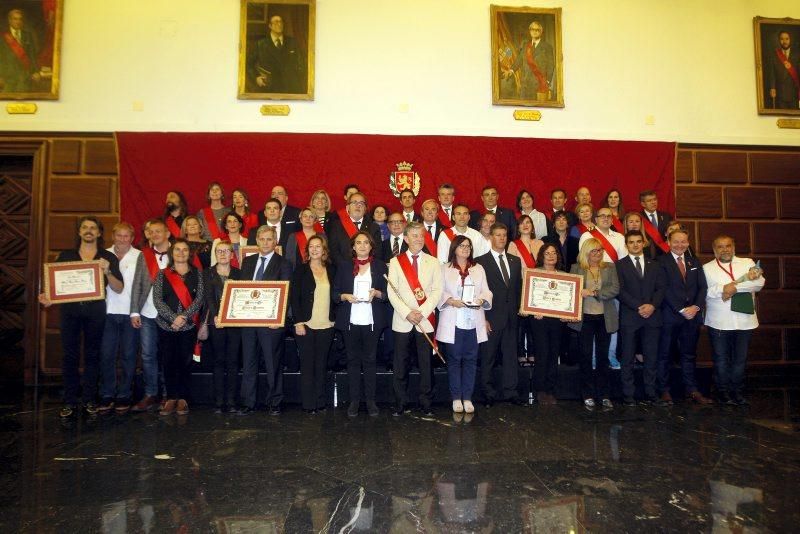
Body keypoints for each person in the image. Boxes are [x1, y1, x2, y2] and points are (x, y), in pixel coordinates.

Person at [38, 216, 123, 418]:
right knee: (69, 356)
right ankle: (69, 401)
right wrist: (49, 298)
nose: (88, 231)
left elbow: (119, 288)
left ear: (99, 233)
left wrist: (108, 271)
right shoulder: (66, 255)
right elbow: (56, 287)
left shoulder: (107, 257)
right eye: (85, 227)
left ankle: (89, 400)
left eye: (93, 228)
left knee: (93, 356)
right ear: (79, 232)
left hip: (95, 312)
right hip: (70, 312)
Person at [388, 222, 443, 417]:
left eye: (421, 235)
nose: (418, 239)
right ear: (405, 238)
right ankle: (401, 403)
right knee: (401, 364)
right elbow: (391, 291)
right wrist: (407, 313)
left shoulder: (433, 262)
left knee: (426, 363)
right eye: (414, 235)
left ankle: (426, 403)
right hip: (403, 320)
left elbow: (437, 291)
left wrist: (422, 311)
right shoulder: (396, 262)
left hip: (425, 319)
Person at [703, 235, 765, 405]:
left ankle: (737, 392)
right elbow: (706, 292)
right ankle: (722, 393)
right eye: (721, 247)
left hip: (745, 321)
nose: (725, 249)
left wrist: (733, 287)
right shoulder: (706, 268)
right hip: (719, 321)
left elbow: (759, 282)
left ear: (733, 247)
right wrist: (722, 289)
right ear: (715, 250)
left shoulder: (747, 263)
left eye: (728, 246)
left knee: (740, 359)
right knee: (721, 360)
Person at [333, 231, 388, 417]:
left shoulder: (380, 266)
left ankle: (371, 401)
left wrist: (378, 293)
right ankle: (354, 401)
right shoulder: (344, 266)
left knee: (370, 361)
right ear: (353, 247)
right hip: (350, 321)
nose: (362, 246)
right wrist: (344, 296)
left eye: (366, 242)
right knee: (353, 361)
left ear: (371, 246)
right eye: (358, 243)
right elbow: (334, 294)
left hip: (372, 321)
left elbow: (389, 293)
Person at [238, 225, 292, 415]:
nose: (266, 243)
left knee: (272, 363)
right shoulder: (247, 262)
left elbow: (286, 293)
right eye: (262, 239)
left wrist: (279, 319)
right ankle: (248, 402)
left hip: (271, 322)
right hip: (248, 321)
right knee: (249, 362)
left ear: (275, 241)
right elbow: (241, 290)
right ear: (257, 241)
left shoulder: (283, 263)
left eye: (270, 239)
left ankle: (275, 401)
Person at [437, 236, 493, 414]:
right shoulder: (444, 269)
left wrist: (482, 299)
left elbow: (486, 290)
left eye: (468, 246)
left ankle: (467, 397)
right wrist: (451, 301)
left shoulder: (479, 268)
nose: (466, 248)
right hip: (453, 320)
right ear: (454, 248)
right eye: (462, 245)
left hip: (473, 320)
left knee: (470, 360)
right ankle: (456, 398)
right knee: (454, 360)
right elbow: (439, 292)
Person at [656, 228, 711, 404]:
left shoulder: (694, 261)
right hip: (670, 316)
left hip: (692, 316)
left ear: (688, 243)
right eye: (676, 241)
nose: (680, 245)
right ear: (669, 243)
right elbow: (662, 289)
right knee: (665, 355)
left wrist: (695, 307)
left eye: (683, 242)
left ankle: (692, 390)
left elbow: (703, 287)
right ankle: (664, 390)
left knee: (689, 355)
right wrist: (681, 309)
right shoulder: (660, 262)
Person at [153, 238, 204, 416]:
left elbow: (199, 301)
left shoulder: (197, 274)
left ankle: (183, 398)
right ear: (171, 253)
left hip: (188, 326)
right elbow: (157, 300)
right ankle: (170, 398)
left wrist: (183, 318)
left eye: (184, 250)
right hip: (166, 326)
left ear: (189, 253)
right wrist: (173, 318)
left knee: (185, 361)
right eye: (177, 250)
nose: (181, 253)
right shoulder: (162, 274)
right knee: (168, 361)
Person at [476, 224, 524, 406]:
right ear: (491, 238)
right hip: (491, 317)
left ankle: (510, 392)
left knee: (511, 356)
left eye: (504, 235)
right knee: (488, 357)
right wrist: (483, 318)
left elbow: (517, 289)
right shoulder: (480, 261)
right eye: (498, 235)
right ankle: (488, 393)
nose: (502, 238)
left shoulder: (515, 260)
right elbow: (479, 292)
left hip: (512, 317)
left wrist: (521, 307)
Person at [616, 230, 665, 406]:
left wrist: (652, 306)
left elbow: (661, 289)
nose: (635, 245)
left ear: (644, 243)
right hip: (631, 316)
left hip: (652, 316)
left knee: (651, 357)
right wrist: (639, 306)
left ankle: (650, 393)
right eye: (631, 242)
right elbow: (619, 291)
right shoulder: (619, 265)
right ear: (626, 245)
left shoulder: (655, 264)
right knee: (627, 357)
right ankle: (628, 395)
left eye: (638, 241)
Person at [569, 239, 620, 409]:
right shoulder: (576, 268)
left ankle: (604, 395)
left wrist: (594, 292)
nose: (597, 254)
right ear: (586, 252)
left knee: (603, 357)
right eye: (593, 251)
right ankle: (587, 394)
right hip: (585, 319)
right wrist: (579, 292)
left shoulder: (609, 267)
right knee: (585, 356)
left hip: (604, 318)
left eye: (599, 250)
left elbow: (615, 289)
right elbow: (570, 290)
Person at [98, 222, 141, 415]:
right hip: (106, 312)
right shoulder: (101, 255)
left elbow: (141, 286)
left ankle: (124, 394)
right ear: (113, 236)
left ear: (132, 238)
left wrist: (136, 311)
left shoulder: (139, 256)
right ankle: (107, 394)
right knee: (107, 355)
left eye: (127, 236)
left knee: (129, 356)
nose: (123, 239)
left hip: (130, 313)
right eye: (119, 235)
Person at [130, 219, 171, 412]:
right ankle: (150, 393)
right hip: (147, 313)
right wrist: (134, 311)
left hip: (170, 315)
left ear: (167, 233)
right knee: (147, 355)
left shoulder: (178, 251)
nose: (155, 235)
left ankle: (167, 394)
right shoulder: (144, 254)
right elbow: (137, 283)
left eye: (158, 231)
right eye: (151, 232)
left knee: (168, 355)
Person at [291, 235, 336, 414]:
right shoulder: (300, 270)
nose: (315, 249)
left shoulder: (332, 269)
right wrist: (298, 323)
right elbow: (295, 298)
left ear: (324, 250)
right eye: (312, 247)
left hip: (327, 323)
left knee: (321, 364)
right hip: (306, 324)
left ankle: (320, 401)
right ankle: (309, 404)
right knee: (308, 365)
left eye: (318, 246)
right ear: (307, 250)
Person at [203, 240, 242, 413]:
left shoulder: (239, 273)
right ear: (215, 254)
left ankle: (232, 401)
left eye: (226, 251)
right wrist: (217, 316)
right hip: (216, 323)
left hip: (235, 323)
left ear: (232, 254)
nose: (223, 254)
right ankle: (218, 402)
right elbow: (209, 298)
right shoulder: (207, 273)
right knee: (218, 361)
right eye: (219, 251)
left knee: (233, 362)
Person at [527, 243, 565, 405]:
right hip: (539, 320)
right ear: (541, 256)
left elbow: (566, 301)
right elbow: (528, 299)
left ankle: (551, 389)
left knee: (553, 354)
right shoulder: (534, 274)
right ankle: (540, 390)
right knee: (542, 354)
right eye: (547, 253)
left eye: (554, 253)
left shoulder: (564, 276)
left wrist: (567, 314)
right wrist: (533, 310)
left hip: (557, 321)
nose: (551, 256)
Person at [508, 215, 544, 365]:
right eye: (522, 223)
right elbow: (511, 269)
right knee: (521, 323)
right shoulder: (513, 245)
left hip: (537, 285)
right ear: (518, 227)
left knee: (534, 322)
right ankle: (521, 354)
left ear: (533, 226)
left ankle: (533, 353)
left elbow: (543, 264)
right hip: (520, 285)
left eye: (528, 222)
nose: (525, 225)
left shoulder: (540, 243)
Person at [248, 14, 306, 94]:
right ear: (270, 26)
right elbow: (249, 64)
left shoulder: (292, 42)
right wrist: (256, 77)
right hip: (270, 87)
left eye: (281, 22)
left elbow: (301, 64)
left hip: (291, 88)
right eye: (276, 22)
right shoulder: (261, 44)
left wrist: (297, 79)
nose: (279, 24)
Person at [501, 20, 554, 100]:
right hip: (525, 86)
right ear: (530, 31)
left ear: (541, 32)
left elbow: (551, 66)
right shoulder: (526, 46)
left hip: (540, 85)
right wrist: (511, 71)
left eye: (537, 30)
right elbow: (518, 60)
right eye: (533, 29)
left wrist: (547, 81)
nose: (535, 32)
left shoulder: (547, 47)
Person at [326, 191, 383, 265]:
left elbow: (377, 252)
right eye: (354, 202)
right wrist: (345, 267)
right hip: (343, 269)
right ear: (348, 207)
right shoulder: (336, 226)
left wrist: (366, 267)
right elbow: (333, 251)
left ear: (365, 208)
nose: (358, 205)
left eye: (361, 203)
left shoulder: (374, 227)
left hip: (368, 269)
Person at [0, 8, 40, 93]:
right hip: (8, 78)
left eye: (20, 19)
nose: (18, 21)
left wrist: (36, 71)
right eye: (15, 19)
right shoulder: (2, 37)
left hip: (26, 77)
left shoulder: (28, 35)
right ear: (9, 20)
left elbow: (32, 55)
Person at [767, 30, 800, 110]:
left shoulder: (798, 54)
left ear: (790, 39)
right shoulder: (774, 54)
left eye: (787, 39)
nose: (784, 41)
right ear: (779, 40)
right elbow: (772, 73)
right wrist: (772, 87)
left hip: (794, 93)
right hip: (780, 93)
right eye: (782, 39)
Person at [639, 190, 672, 255]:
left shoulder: (666, 216)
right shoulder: (638, 218)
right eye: (649, 201)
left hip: (664, 253)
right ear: (643, 204)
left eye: (654, 199)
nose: (653, 202)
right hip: (647, 254)